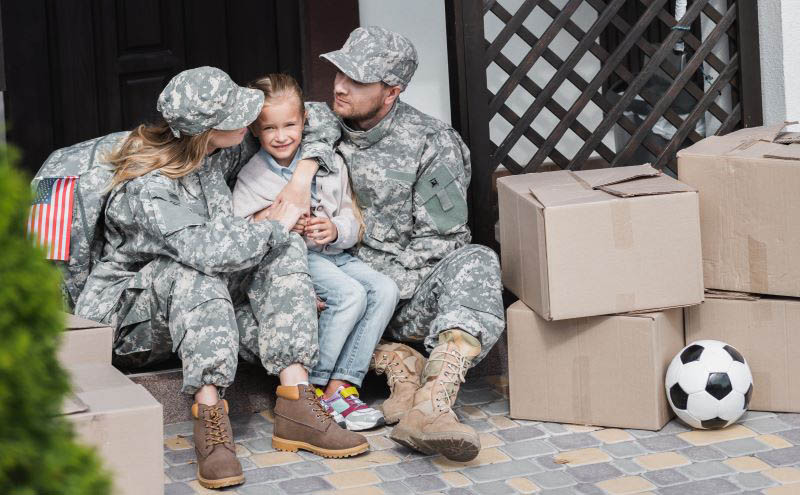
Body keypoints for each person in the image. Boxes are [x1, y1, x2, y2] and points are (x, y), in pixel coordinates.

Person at [68, 67, 367, 490]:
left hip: (199, 308)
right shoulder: (149, 187)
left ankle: (297, 402)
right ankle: (210, 417)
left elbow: (316, 116)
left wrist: (300, 181)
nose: (250, 120)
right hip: (130, 315)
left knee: (283, 245)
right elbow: (207, 252)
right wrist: (275, 221)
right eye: (236, 115)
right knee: (201, 271)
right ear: (207, 131)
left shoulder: (218, 150)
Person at [273, 27, 506, 462]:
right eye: (340, 71)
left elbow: (442, 242)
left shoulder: (432, 144)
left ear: (391, 91)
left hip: (401, 293)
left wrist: (377, 286)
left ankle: (432, 405)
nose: (340, 85)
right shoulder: (313, 124)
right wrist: (304, 173)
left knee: (477, 260)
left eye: (358, 80)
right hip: (330, 291)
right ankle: (399, 364)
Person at [232, 73, 399, 431]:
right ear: (255, 132)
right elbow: (243, 230)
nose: (281, 136)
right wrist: (276, 222)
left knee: (385, 289)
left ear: (304, 122)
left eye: (290, 124)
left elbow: (352, 218)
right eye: (270, 128)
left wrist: (335, 229)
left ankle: (344, 384)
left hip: (335, 254)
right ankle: (317, 388)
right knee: (349, 295)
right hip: (299, 261)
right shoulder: (252, 176)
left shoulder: (329, 164)